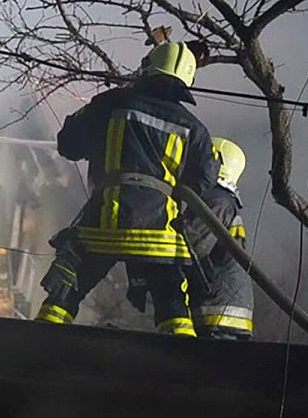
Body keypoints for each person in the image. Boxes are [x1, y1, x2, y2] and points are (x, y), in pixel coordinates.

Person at [35, 42, 220, 336]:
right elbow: (207, 177)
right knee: (171, 298)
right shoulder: (193, 127)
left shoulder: (110, 103)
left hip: (102, 224)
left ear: (147, 67)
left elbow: (68, 143)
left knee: (69, 285)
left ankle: (36, 342)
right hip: (157, 233)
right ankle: (183, 356)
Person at [183, 137, 255, 340]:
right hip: (222, 313)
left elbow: (193, 245)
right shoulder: (221, 200)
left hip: (217, 316)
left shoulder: (216, 201)